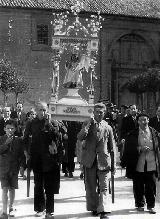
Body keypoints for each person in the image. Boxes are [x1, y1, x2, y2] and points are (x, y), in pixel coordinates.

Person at [23, 101, 64, 218]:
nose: (43, 112)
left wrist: (49, 123)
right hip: (36, 159)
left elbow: (57, 138)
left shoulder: (53, 122)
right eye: (40, 110)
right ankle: (39, 209)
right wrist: (26, 153)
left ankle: (49, 211)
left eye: (44, 109)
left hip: (50, 159)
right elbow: (25, 139)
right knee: (38, 185)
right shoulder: (31, 123)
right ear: (36, 111)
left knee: (49, 186)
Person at [77, 102, 116, 219]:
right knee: (91, 186)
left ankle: (103, 210)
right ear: (93, 113)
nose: (99, 114)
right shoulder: (87, 124)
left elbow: (112, 147)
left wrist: (113, 165)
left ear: (104, 113)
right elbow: (80, 137)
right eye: (97, 112)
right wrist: (87, 127)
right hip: (90, 161)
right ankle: (94, 207)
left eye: (102, 112)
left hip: (104, 161)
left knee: (104, 186)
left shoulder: (108, 127)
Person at [121, 113, 160, 214]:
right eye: (141, 120)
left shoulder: (154, 132)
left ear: (148, 120)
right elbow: (129, 148)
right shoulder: (133, 133)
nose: (144, 122)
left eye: (146, 120)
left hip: (151, 162)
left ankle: (151, 206)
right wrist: (139, 148)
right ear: (138, 122)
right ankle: (140, 204)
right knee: (138, 185)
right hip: (138, 163)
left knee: (151, 185)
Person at [0, 119, 25, 219]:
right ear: (4, 129)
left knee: (12, 188)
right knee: (5, 189)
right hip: (3, 168)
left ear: (15, 129)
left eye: (12, 128)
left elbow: (21, 154)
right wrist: (6, 143)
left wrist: (22, 166)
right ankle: (4, 211)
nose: (10, 130)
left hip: (14, 168)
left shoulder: (18, 140)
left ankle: (11, 207)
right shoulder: (1, 139)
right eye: (8, 128)